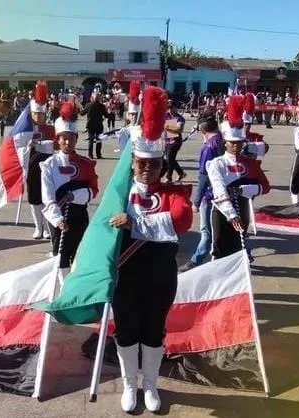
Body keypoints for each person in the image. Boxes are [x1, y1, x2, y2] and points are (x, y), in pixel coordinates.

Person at [107, 86, 193, 413]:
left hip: (159, 276)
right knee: (127, 330)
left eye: (154, 165)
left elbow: (181, 220)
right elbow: (101, 228)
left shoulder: (175, 194)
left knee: (154, 331)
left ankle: (151, 386)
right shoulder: (119, 194)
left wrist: (133, 224)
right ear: (132, 162)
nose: (148, 170)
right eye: (142, 163)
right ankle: (130, 385)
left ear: (161, 165)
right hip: (125, 276)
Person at [40, 101, 99, 278]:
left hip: (79, 215)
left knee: (80, 252)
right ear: (57, 140)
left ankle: (76, 283)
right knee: (61, 256)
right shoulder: (49, 165)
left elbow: (93, 190)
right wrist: (57, 219)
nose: (67, 141)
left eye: (71, 138)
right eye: (63, 138)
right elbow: (47, 195)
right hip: (58, 217)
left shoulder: (86, 164)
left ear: (75, 139)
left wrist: (75, 195)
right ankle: (63, 285)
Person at [208, 97, 270, 261]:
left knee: (238, 250)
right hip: (223, 212)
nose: (236, 146)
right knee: (219, 250)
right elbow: (219, 189)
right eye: (232, 143)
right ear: (225, 142)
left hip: (243, 208)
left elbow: (265, 186)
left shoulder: (250, 163)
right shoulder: (216, 164)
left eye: (239, 143)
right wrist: (231, 214)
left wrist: (247, 190)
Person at [179, 112, 223, 272]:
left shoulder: (208, 148)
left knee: (206, 230)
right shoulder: (223, 141)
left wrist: (196, 201)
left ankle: (196, 260)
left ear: (202, 130)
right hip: (226, 193)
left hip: (211, 194)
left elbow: (204, 176)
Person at [23, 81, 56, 239]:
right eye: (36, 114)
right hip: (31, 168)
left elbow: (56, 146)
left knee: (47, 197)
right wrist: (28, 146)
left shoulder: (50, 129)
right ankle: (38, 227)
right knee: (34, 198)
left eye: (42, 114)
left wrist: (43, 145)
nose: (39, 117)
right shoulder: (25, 130)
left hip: (47, 169)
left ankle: (48, 228)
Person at [163, 99, 186, 182]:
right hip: (167, 140)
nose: (170, 110)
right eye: (168, 108)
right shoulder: (166, 115)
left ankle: (168, 177)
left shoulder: (179, 118)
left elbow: (179, 129)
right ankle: (181, 173)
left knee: (169, 159)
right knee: (170, 159)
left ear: (176, 108)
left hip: (175, 142)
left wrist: (166, 127)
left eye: (171, 108)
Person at [82, 91, 109, 159]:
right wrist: (110, 114)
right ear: (99, 98)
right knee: (99, 140)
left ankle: (90, 154)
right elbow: (106, 115)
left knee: (91, 140)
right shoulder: (102, 106)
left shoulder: (88, 105)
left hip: (90, 124)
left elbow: (82, 113)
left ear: (92, 98)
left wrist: (80, 108)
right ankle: (98, 154)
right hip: (99, 125)